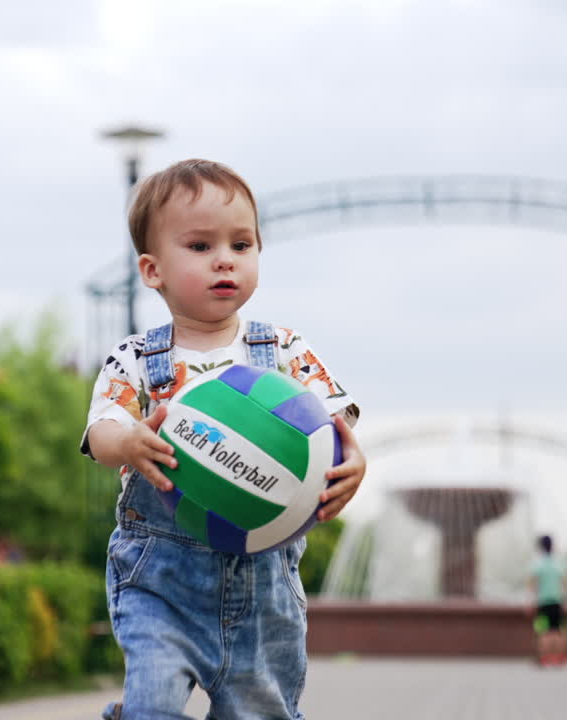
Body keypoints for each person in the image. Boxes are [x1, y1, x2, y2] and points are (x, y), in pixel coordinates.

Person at [81, 158, 366, 719]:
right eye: (200, 246)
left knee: (261, 711)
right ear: (152, 268)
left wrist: (353, 465)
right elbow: (102, 429)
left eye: (242, 245)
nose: (224, 260)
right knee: (153, 703)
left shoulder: (284, 351)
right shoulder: (136, 358)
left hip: (265, 593)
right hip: (163, 582)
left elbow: (335, 430)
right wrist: (130, 442)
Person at [528, 534, 567, 667]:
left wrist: (531, 601)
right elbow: (565, 584)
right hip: (557, 601)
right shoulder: (558, 563)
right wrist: (565, 601)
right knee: (557, 630)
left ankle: (544, 658)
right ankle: (560, 658)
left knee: (543, 631)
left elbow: (533, 584)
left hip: (543, 602)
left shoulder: (538, 564)